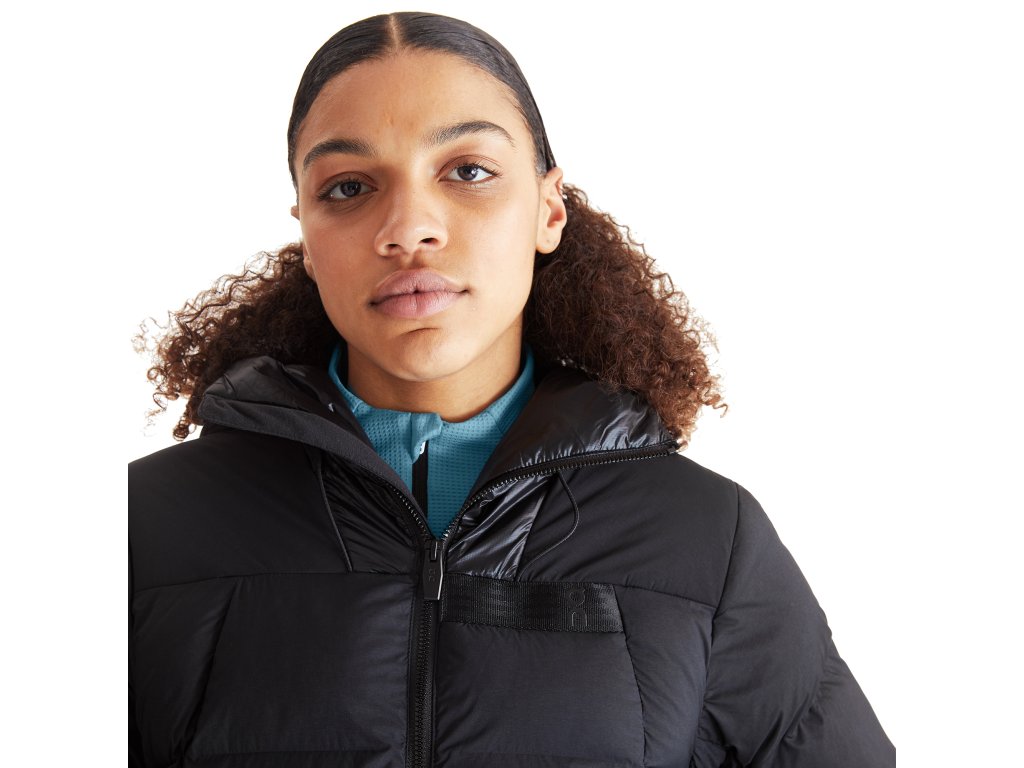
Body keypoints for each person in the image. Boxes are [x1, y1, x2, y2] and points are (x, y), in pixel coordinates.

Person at [129, 11, 894, 767]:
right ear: (305, 233)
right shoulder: (142, 528)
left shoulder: (708, 539)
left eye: (468, 171)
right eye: (349, 186)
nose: (409, 227)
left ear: (549, 210)